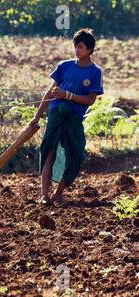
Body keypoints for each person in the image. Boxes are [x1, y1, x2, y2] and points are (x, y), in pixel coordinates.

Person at [29, 28, 104, 205]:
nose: (77, 50)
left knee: (77, 154)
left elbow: (90, 100)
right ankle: (44, 196)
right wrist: (37, 116)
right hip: (56, 113)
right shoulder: (64, 66)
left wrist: (67, 95)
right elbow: (50, 92)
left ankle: (58, 192)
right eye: (76, 46)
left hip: (74, 118)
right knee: (49, 151)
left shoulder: (95, 72)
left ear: (90, 50)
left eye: (81, 47)